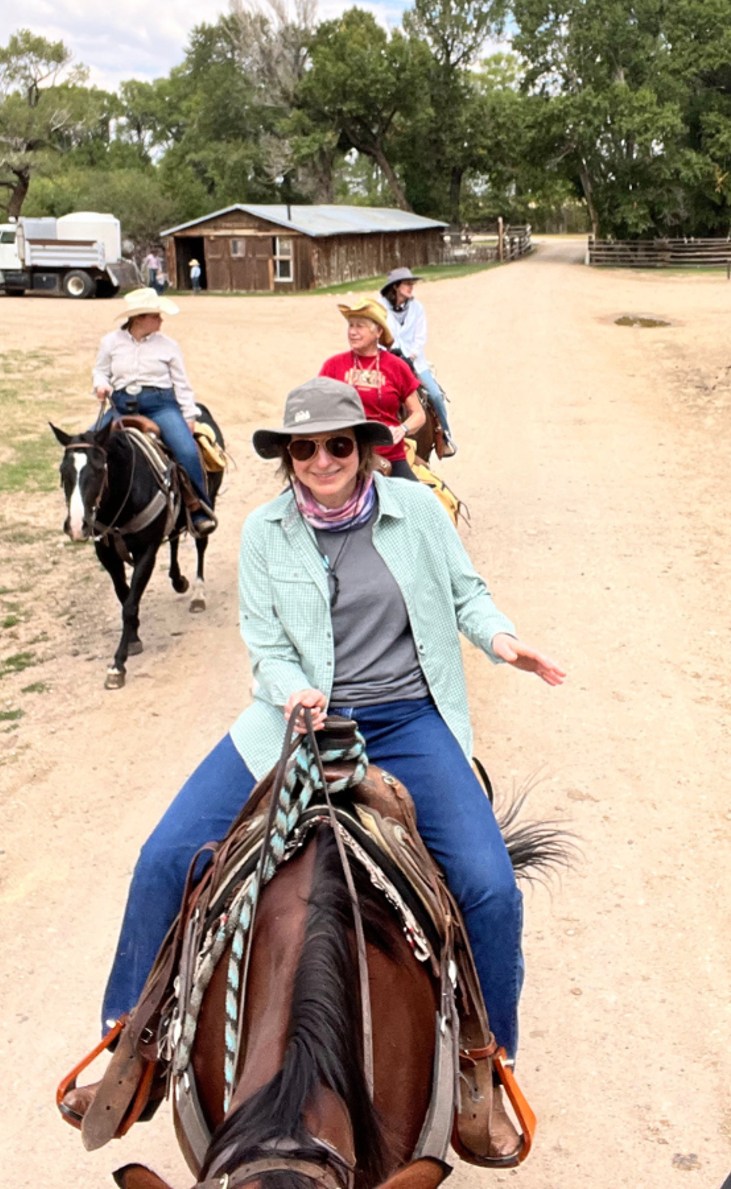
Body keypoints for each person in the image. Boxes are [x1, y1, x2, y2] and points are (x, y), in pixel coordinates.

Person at [98, 376, 567, 1076]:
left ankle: (486, 1060)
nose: (322, 460)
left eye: (338, 444)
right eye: (305, 448)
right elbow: (264, 641)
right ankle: (128, 1038)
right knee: (165, 855)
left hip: (407, 719)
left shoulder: (416, 510)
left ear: (365, 449)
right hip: (294, 722)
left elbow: (467, 593)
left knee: (491, 885)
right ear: (288, 456)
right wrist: (295, 693)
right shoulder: (263, 532)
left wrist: (501, 640)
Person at [91, 288, 217, 536]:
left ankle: (198, 509)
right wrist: (101, 385)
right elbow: (101, 371)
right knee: (88, 448)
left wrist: (189, 416)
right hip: (120, 403)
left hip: (161, 405)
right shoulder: (110, 343)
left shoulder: (169, 346)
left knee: (187, 451)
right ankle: (89, 507)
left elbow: (182, 383)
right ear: (139, 318)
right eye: (156, 315)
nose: (161, 320)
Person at [320, 296, 424, 480]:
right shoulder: (333, 366)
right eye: (350, 325)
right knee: (291, 500)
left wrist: (403, 429)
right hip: (342, 456)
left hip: (390, 456)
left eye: (360, 326)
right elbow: (318, 408)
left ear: (378, 331)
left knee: (420, 502)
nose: (352, 331)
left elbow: (418, 414)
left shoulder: (396, 366)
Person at [381, 265, 455, 452]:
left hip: (413, 361)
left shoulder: (417, 308)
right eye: (407, 284)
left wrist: (409, 356)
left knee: (435, 395)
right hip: (386, 361)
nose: (411, 287)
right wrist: (388, 355)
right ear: (395, 286)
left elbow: (420, 337)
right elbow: (376, 333)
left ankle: (444, 436)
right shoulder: (379, 307)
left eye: (411, 284)